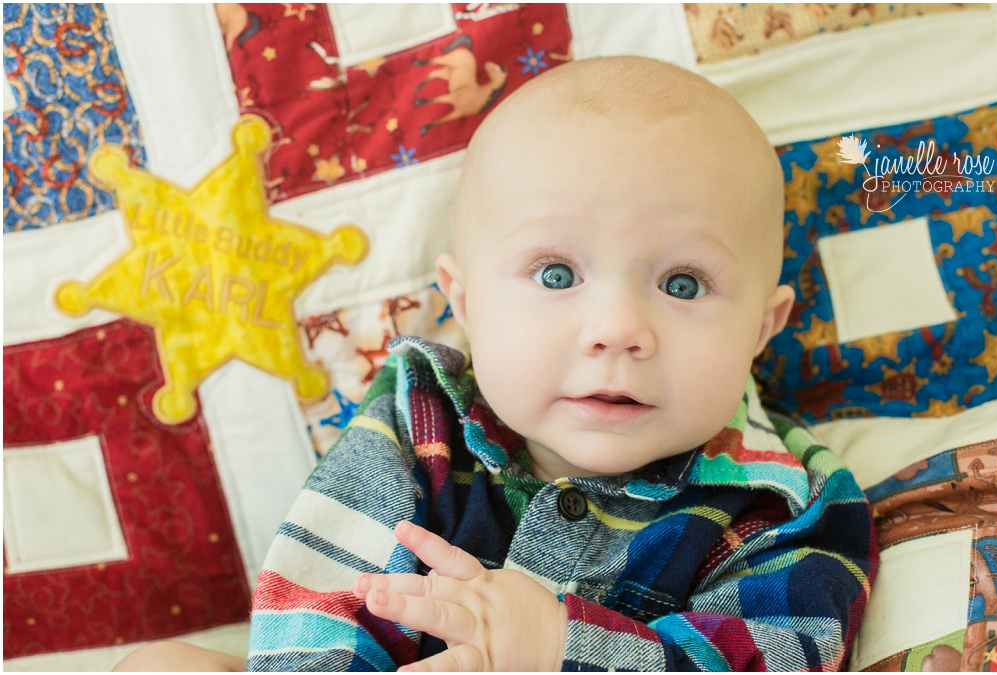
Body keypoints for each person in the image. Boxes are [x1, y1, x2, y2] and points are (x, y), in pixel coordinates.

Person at [115, 55, 877, 673]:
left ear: (761, 327)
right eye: (556, 275)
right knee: (157, 667)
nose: (616, 330)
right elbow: (328, 578)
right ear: (466, 302)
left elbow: (782, 654)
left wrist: (557, 647)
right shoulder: (421, 417)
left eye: (683, 284)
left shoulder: (781, 506)